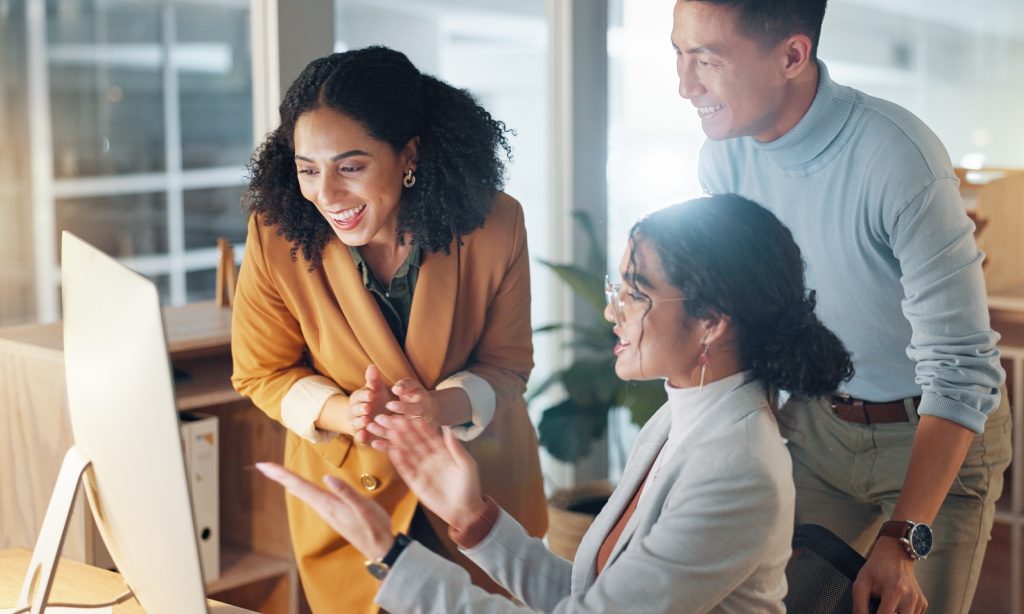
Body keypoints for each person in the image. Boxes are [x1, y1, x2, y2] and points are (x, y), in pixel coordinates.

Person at [257, 194, 855, 613]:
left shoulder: (738, 468)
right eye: (615, 287)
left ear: (711, 324)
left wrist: (391, 553)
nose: (610, 310)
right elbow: (589, 597)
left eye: (635, 292)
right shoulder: (685, 412)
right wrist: (475, 520)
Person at [670, 2, 1013, 613]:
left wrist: (903, 538)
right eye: (678, 54)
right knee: (767, 602)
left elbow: (963, 367)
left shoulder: (896, 157)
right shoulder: (723, 158)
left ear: (792, 56)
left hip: (931, 430)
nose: (684, 84)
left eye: (707, 59)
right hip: (817, 424)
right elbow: (754, 318)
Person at [230, 46, 547, 614]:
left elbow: (507, 367)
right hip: (356, 504)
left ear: (409, 155)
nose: (326, 194)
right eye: (307, 169)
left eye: (350, 167)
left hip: (480, 500)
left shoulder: (497, 224)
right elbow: (262, 371)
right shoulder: (275, 235)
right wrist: (342, 412)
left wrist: (436, 410)